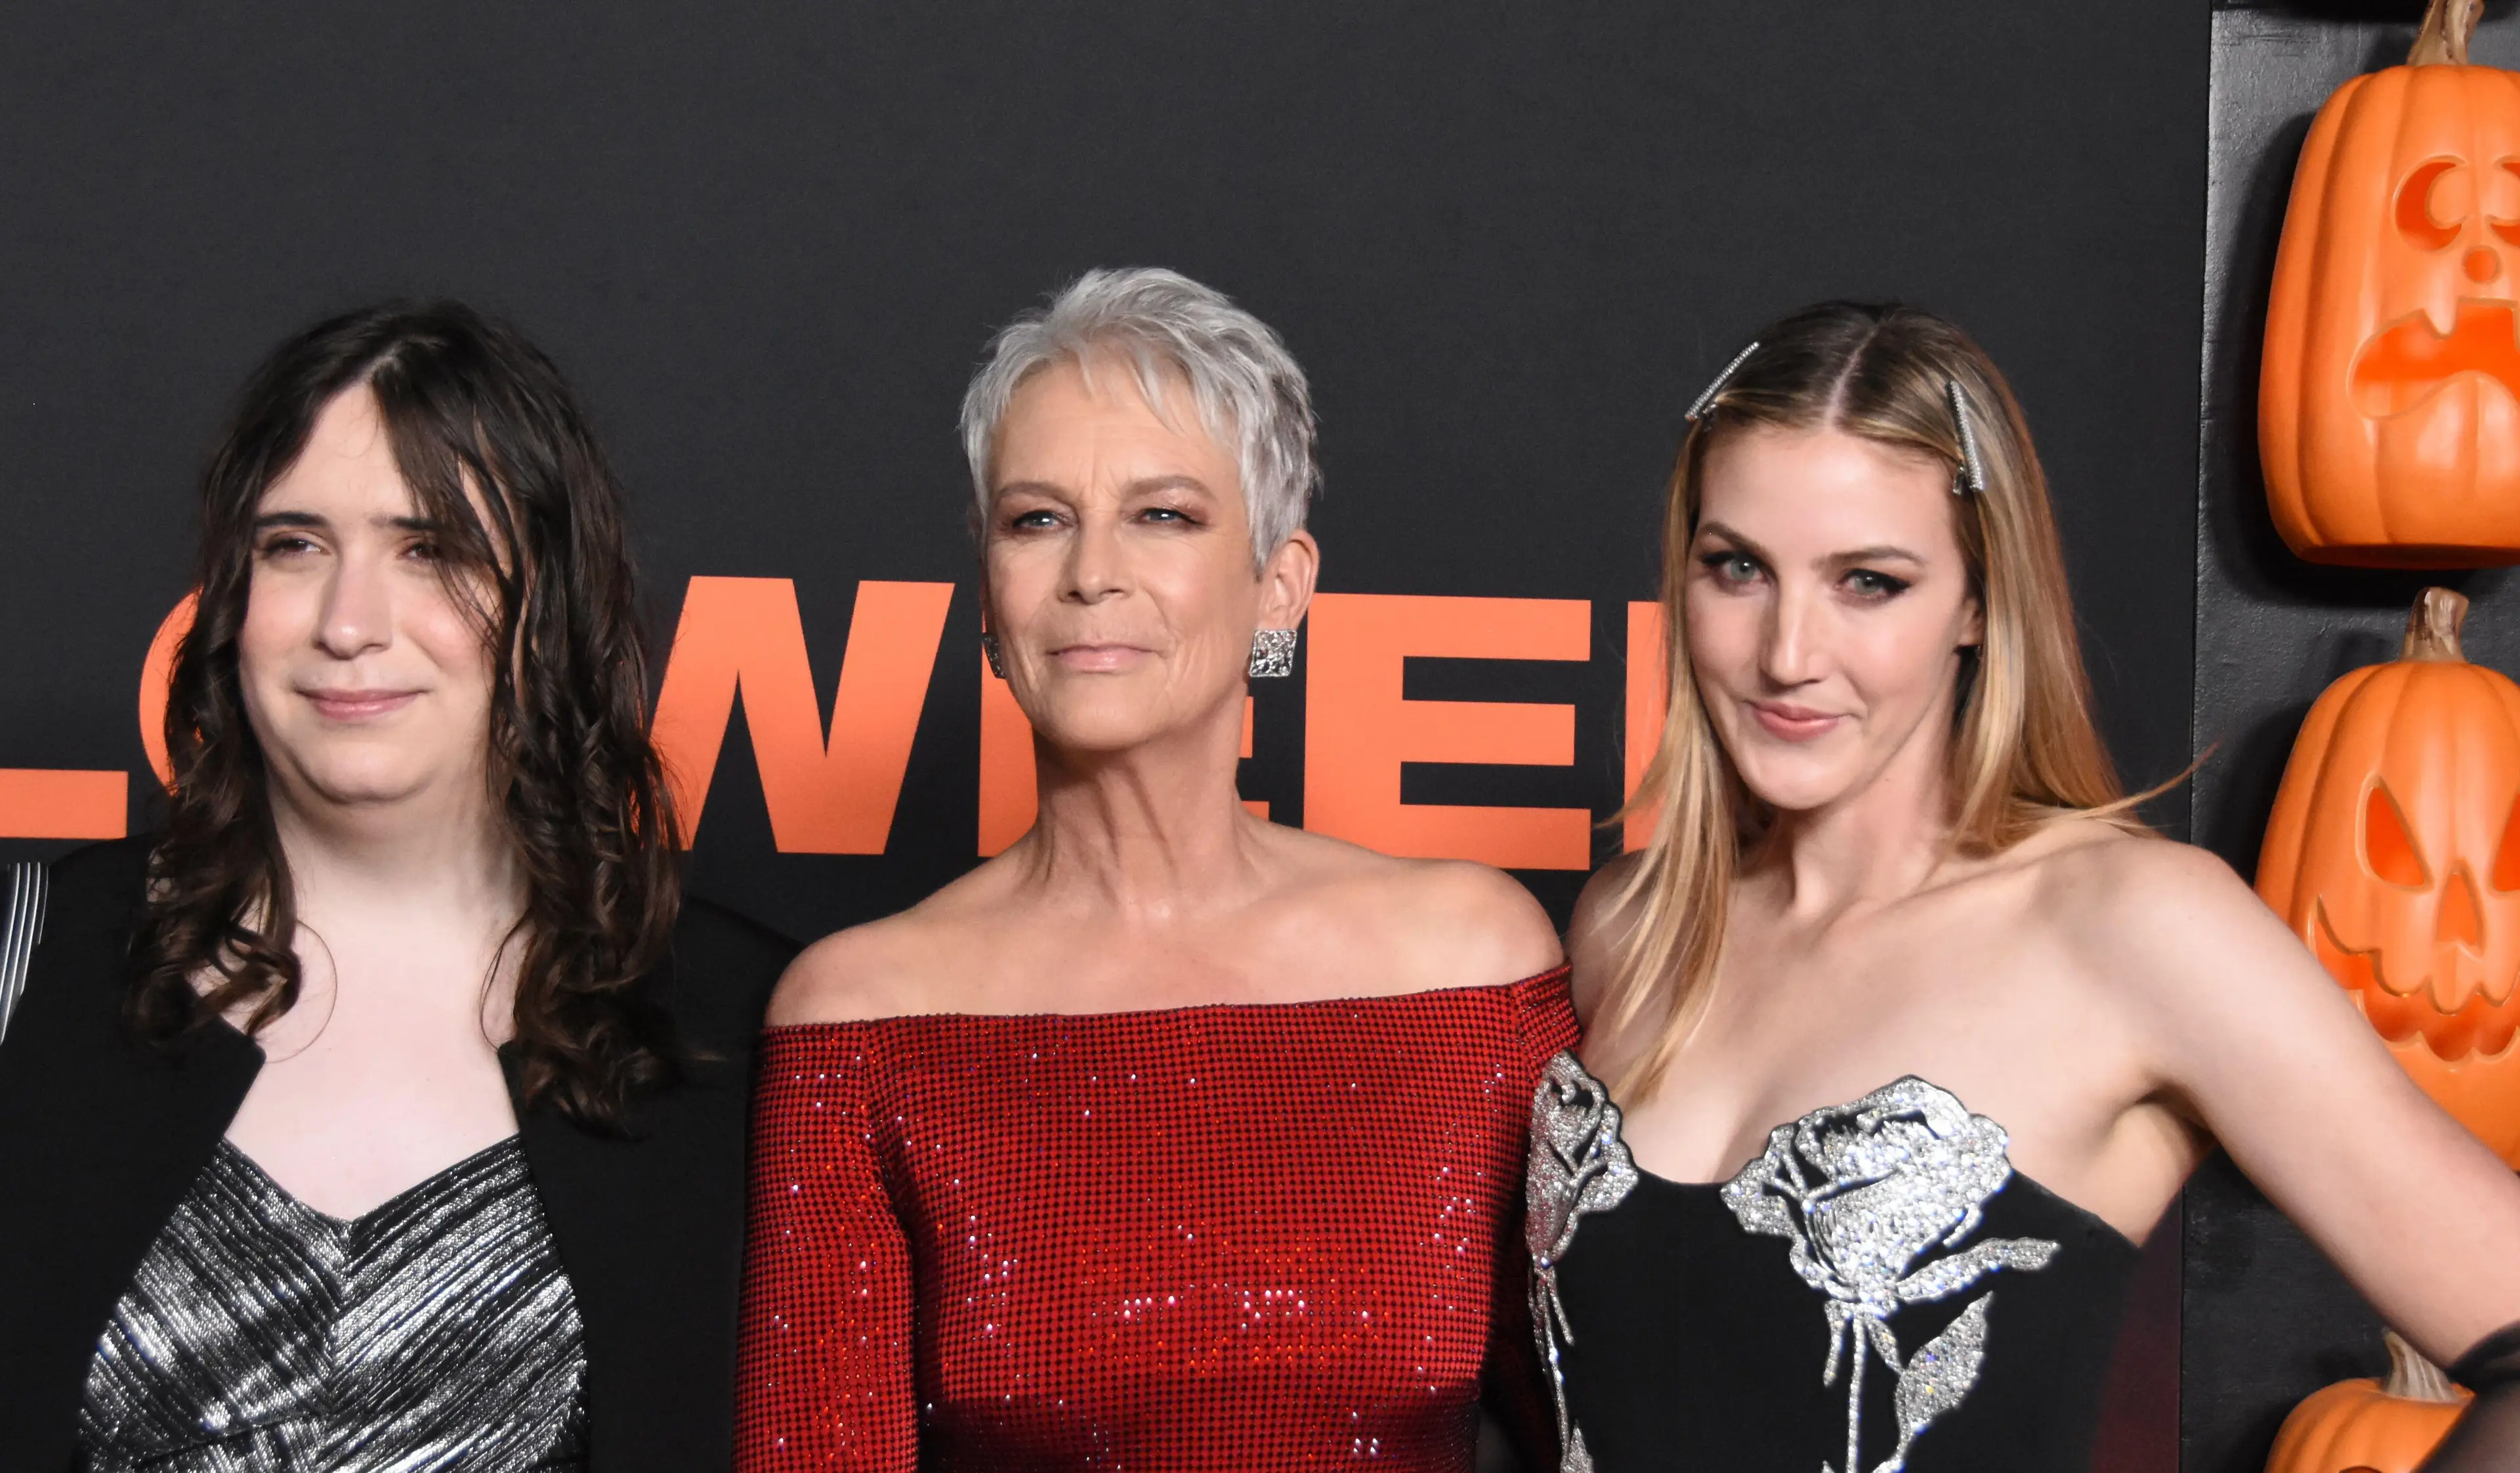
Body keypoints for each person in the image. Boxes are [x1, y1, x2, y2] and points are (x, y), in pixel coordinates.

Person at [1527, 302, 2520, 1473]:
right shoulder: (1635, 924)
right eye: (1737, 568)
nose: (1788, 653)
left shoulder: (2133, 927)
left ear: (1979, 602)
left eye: (1869, 582)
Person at [735, 267, 1571, 1472]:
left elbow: (1602, 1427)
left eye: (1164, 516)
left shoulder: (1475, 971)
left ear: (1281, 583)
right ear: (989, 594)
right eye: (1038, 520)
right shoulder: (858, 1019)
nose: (1092, 573)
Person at [0, 301, 795, 1472]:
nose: (349, 624)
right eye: (295, 545)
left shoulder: (747, 1030)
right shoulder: (32, 962)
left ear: (549, 602)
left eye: (431, 550)